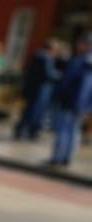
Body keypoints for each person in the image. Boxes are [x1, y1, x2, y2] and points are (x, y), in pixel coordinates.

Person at [48, 36, 92, 167]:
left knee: (64, 130)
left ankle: (58, 158)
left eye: (81, 43)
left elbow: (73, 83)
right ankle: (65, 158)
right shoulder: (84, 61)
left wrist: (59, 96)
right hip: (79, 104)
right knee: (73, 131)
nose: (79, 45)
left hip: (70, 102)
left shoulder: (81, 61)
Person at [15, 40, 60, 140]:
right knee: (35, 112)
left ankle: (21, 130)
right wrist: (60, 76)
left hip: (33, 90)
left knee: (28, 111)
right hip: (40, 91)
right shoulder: (45, 58)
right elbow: (48, 74)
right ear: (51, 49)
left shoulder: (37, 56)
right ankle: (30, 131)